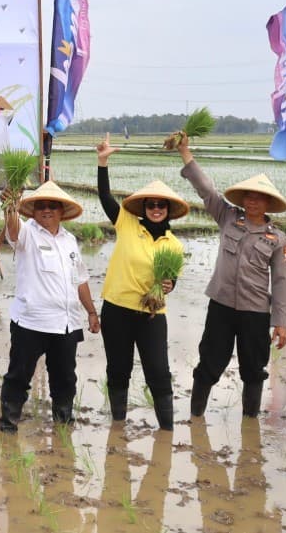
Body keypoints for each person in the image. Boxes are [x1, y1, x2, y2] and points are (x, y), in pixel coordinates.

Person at [175, 133, 286, 418]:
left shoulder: (278, 239)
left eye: (259, 198)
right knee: (209, 364)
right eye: (248, 196)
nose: (252, 201)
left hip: (255, 312)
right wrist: (186, 154)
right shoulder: (228, 217)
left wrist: (281, 322)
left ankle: (250, 428)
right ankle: (196, 419)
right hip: (222, 306)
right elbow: (207, 191)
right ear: (243, 199)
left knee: (253, 371)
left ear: (268, 203)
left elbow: (282, 281)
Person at [96, 134, 188, 430]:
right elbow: (105, 197)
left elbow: (170, 280)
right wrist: (103, 162)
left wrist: (169, 285)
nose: (156, 208)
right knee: (119, 370)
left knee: (159, 372)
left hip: (151, 315)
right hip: (117, 310)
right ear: (144, 206)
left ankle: (167, 432)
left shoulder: (173, 245)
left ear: (169, 209)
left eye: (162, 205)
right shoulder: (126, 223)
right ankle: (118, 425)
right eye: (151, 204)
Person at [0, 181, 100, 433]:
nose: (46, 210)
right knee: (19, 376)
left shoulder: (70, 241)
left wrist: (91, 311)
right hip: (31, 323)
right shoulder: (27, 234)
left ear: (61, 211)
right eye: (41, 206)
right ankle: (8, 426)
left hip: (66, 324)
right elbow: (12, 230)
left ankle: (63, 424)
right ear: (32, 211)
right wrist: (9, 207)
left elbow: (80, 279)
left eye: (52, 206)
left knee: (65, 378)